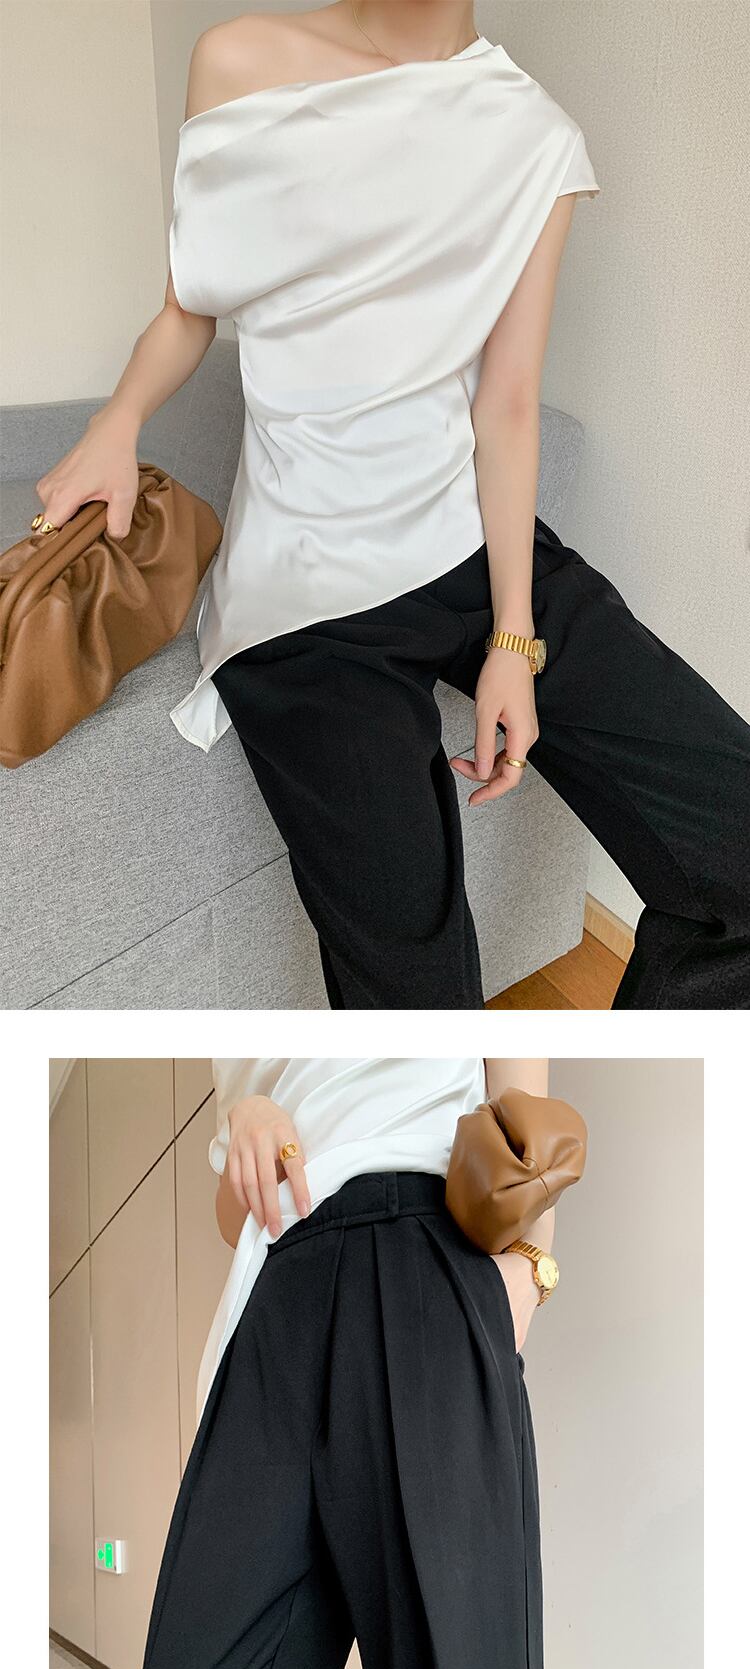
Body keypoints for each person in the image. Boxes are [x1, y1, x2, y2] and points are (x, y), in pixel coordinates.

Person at [35, 8, 750, 1011]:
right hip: (303, 601)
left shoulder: (533, 134)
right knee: (417, 994)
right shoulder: (241, 60)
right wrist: (115, 425)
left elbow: (506, 406)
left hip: (470, 548)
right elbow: (188, 308)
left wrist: (514, 639)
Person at [128, 1053, 550, 1669]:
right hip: (276, 1297)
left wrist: (531, 1272)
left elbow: (523, 1106)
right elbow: (237, 1213)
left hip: (427, 1251)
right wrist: (244, 1119)